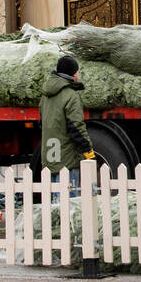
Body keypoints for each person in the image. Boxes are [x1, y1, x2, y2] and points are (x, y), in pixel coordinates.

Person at [40, 54, 94, 194]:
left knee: (54, 205)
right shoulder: (71, 95)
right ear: (72, 74)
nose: (78, 74)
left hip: (50, 158)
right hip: (67, 160)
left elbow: (42, 123)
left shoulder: (45, 96)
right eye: (77, 71)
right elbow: (76, 127)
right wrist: (88, 152)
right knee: (69, 204)